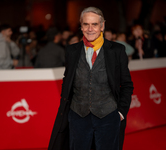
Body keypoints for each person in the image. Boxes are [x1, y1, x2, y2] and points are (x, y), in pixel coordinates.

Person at [48, 7, 134, 150]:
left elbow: (126, 84)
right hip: (78, 117)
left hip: (108, 117)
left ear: (102, 26)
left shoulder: (117, 51)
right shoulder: (71, 51)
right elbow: (68, 80)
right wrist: (70, 111)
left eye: (94, 24)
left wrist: (120, 113)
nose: (90, 29)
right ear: (81, 27)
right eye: (86, 24)